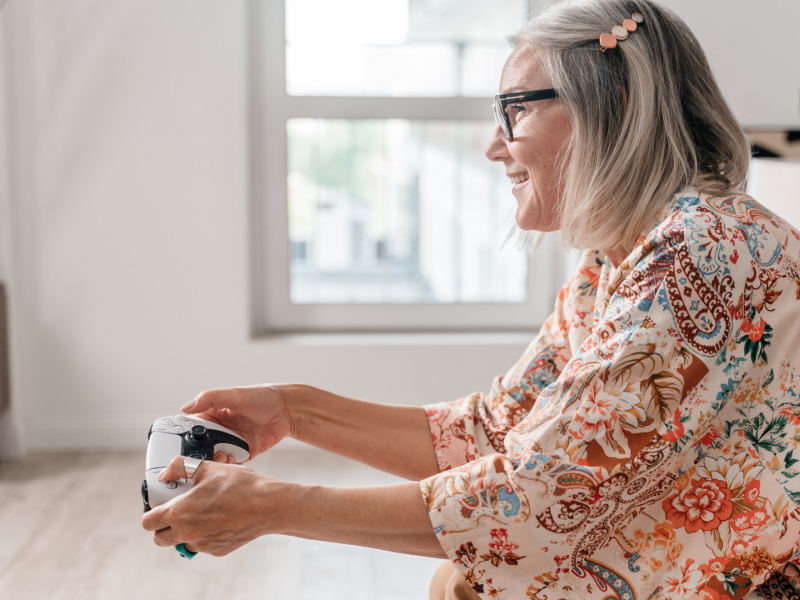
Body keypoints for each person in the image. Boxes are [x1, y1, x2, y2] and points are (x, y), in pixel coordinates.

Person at [142, 0, 800, 598]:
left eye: (517, 110)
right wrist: (295, 410)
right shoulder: (625, 256)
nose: (494, 147)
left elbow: (538, 498)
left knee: (467, 585)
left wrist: (273, 506)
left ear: (616, 106)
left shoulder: (700, 255)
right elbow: (500, 428)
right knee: (463, 583)